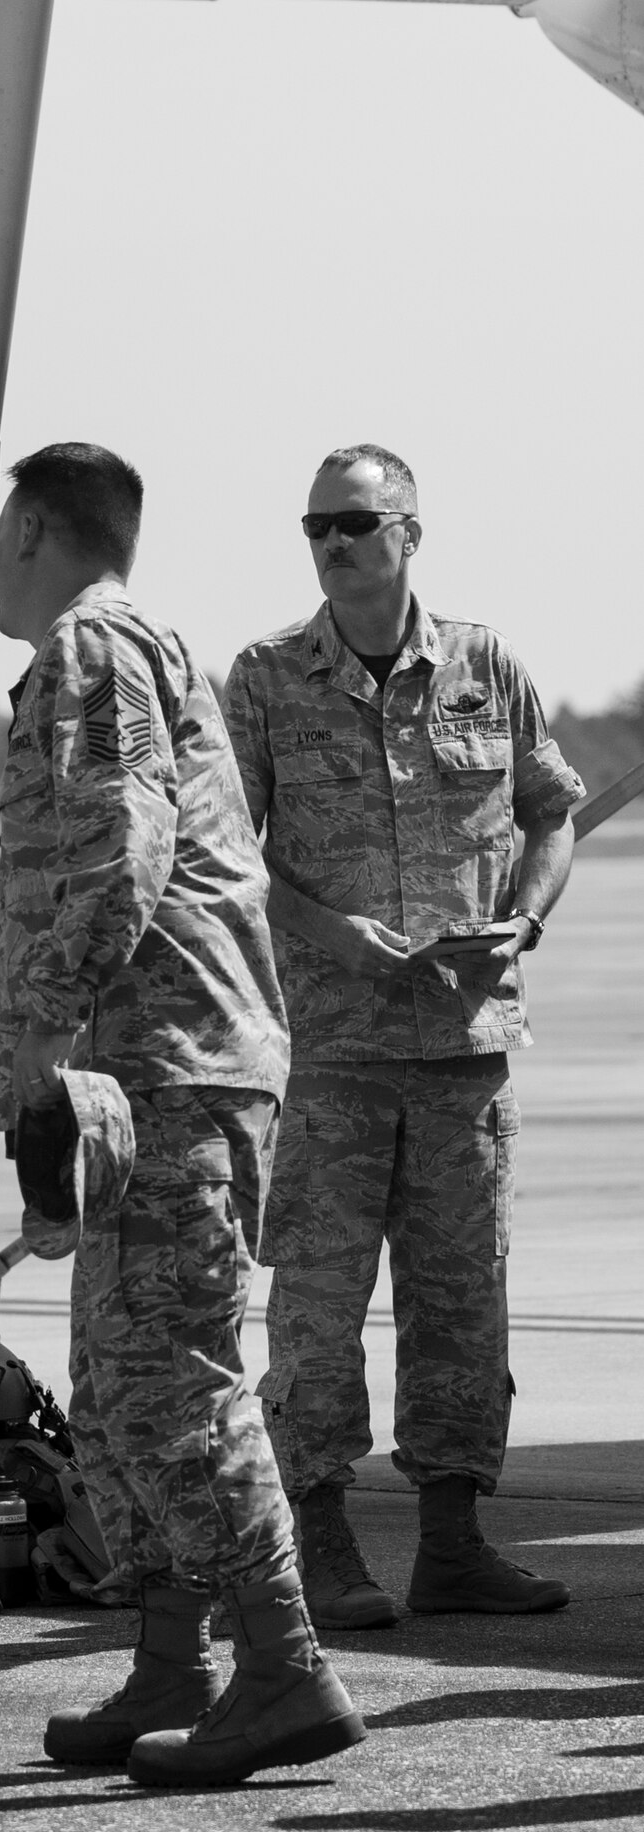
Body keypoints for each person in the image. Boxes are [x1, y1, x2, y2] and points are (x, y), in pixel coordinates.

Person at [0, 443, 364, 1789]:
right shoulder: (117, 652)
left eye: (0, 534)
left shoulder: (91, 649)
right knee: (116, 1399)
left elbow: (119, 860)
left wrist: (39, 1035)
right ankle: (177, 1661)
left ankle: (287, 1671)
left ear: (39, 526)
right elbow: (59, 904)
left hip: (162, 1077)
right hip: (149, 1076)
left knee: (174, 1387)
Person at [222, 443, 583, 1631]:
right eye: (317, 523)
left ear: (410, 532)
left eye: (357, 521)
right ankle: (319, 1544)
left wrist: (525, 918)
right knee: (316, 1307)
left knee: (461, 1301)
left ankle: (453, 1542)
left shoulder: (486, 665)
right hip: (330, 1050)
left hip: (466, 1043)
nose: (334, 541)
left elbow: (550, 810)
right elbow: (225, 853)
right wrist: (327, 928)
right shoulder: (268, 676)